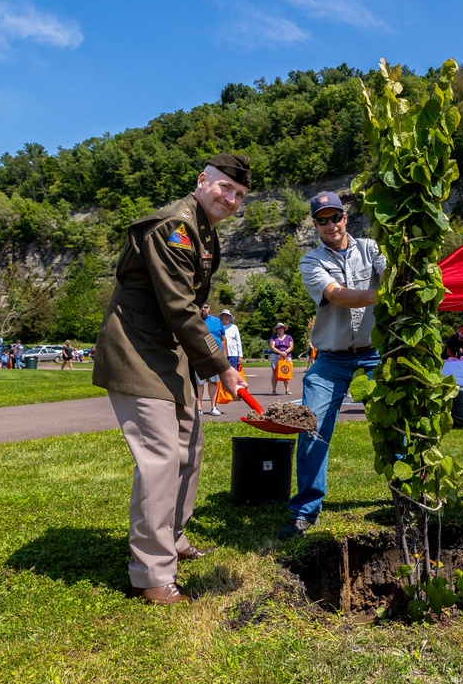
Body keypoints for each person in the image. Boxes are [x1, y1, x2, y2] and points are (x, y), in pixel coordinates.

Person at [92, 154, 249, 604]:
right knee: (160, 455)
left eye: (239, 195)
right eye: (224, 188)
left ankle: (172, 536)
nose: (232, 198)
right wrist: (222, 366)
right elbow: (180, 307)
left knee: (189, 444)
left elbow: (188, 304)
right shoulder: (173, 228)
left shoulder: (204, 231)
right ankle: (152, 574)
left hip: (167, 349)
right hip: (138, 347)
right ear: (202, 182)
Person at [278, 191, 385, 541]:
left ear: (345, 217)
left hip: (374, 354)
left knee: (393, 423)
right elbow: (337, 295)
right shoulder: (310, 261)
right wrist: (387, 295)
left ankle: (408, 497)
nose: (330, 225)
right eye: (321, 220)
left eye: (334, 217)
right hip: (331, 358)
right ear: (315, 225)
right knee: (311, 427)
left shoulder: (371, 249)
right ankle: (305, 511)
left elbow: (394, 271)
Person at [195, 303, 227, 415]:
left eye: (206, 307)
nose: (203, 309)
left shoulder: (217, 321)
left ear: (209, 308)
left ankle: (214, 407)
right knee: (199, 383)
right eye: (201, 307)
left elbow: (223, 338)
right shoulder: (194, 321)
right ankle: (199, 408)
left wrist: (224, 355)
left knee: (213, 382)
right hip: (199, 356)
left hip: (215, 356)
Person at [269, 323, 294, 395]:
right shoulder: (273, 337)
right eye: (279, 328)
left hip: (286, 356)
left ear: (284, 329)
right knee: (274, 372)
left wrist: (285, 352)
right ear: (277, 330)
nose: (280, 329)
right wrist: (280, 352)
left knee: (285, 371)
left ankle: (287, 389)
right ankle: (274, 390)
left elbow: (291, 347)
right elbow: (272, 347)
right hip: (276, 355)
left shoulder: (289, 337)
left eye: (282, 328)